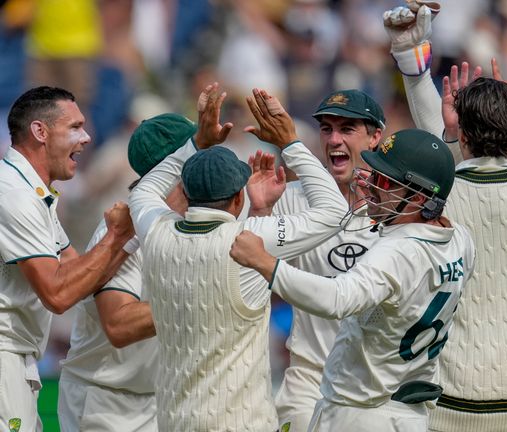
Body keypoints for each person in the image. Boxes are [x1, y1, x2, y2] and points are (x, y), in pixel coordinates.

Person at [384, 4, 507, 430]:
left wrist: (412, 65)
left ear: (461, 135)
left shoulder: (438, 196)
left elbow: (439, 158)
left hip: (453, 404)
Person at [127, 85, 348, 431]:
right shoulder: (249, 241)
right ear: (236, 200)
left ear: (186, 191)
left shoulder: (155, 232)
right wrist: (290, 142)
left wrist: (197, 142)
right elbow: (335, 210)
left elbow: (145, 190)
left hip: (174, 421)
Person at [230, 128, 475, 432]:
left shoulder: (397, 253)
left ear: (420, 197)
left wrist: (266, 263)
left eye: (385, 182)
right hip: (410, 413)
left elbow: (336, 298)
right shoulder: (461, 239)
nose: (370, 186)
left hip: (361, 413)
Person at [0, 86, 134, 429]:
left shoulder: (34, 193)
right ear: (40, 132)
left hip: (18, 356)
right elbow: (58, 294)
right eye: (74, 127)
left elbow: (84, 275)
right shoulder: (15, 196)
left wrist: (129, 237)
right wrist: (117, 236)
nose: (87, 137)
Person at [57, 112, 199, 431]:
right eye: (198, 151)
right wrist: (199, 297)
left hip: (159, 401)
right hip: (104, 404)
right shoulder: (124, 231)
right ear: (177, 166)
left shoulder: (192, 226)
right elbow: (119, 325)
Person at [272, 89, 385, 432]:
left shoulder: (399, 207)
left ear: (376, 136)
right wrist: (261, 208)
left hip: (378, 389)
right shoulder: (291, 196)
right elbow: (243, 259)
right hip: (309, 384)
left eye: (347, 129)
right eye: (326, 128)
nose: (334, 139)